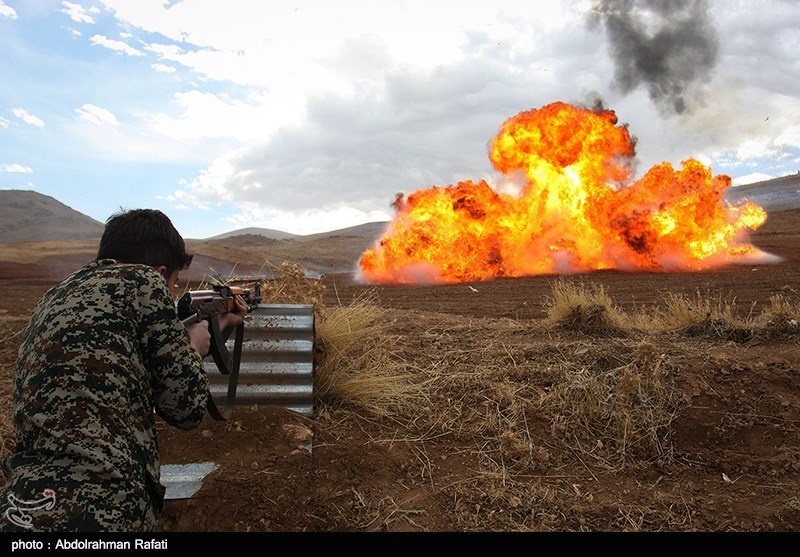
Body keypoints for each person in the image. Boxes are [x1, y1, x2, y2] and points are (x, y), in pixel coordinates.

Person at [0, 208, 248, 532]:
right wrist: (193, 345)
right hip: (104, 505)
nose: (168, 294)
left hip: (24, 504)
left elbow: (107, 365)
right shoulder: (145, 280)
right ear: (160, 273)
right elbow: (184, 408)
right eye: (171, 285)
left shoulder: (54, 296)